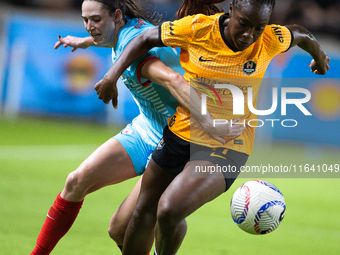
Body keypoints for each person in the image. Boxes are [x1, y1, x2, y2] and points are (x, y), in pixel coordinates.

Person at [93, 0, 331, 254]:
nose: (249, 35)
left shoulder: (271, 39)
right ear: (232, 11)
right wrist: (111, 75)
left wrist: (319, 57)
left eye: (259, 27)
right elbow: (144, 39)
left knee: (169, 209)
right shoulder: (198, 28)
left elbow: (301, 33)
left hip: (228, 144)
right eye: (244, 24)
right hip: (181, 132)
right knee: (143, 210)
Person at [30, 0, 236, 254]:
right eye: (85, 20)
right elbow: (106, 39)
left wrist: (208, 120)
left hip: (175, 138)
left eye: (95, 19)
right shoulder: (122, 30)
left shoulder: (134, 47)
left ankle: (169, 223)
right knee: (75, 181)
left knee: (119, 228)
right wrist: (80, 40)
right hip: (147, 127)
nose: (89, 26)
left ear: (116, 15)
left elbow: (173, 80)